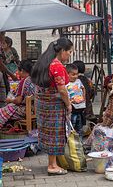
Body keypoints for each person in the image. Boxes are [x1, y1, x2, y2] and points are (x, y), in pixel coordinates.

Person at [31, 37, 73, 176]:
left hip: (42, 103)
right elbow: (62, 90)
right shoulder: (57, 66)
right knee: (55, 133)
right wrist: (68, 104)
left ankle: (53, 162)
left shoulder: (43, 62)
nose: (70, 55)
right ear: (62, 51)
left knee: (47, 132)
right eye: (69, 51)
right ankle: (52, 165)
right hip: (53, 105)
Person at [0, 60, 35, 128]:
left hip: (25, 110)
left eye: (18, 70)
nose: (17, 72)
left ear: (22, 70)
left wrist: (10, 100)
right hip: (34, 109)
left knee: (2, 110)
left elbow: (18, 101)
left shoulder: (24, 82)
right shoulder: (34, 79)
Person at [66, 64, 86, 138]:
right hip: (72, 108)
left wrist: (83, 98)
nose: (76, 76)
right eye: (73, 74)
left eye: (77, 74)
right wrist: (69, 102)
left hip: (80, 107)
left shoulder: (78, 81)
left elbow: (83, 88)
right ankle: (71, 140)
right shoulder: (66, 84)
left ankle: (80, 141)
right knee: (72, 123)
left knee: (79, 124)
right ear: (67, 74)